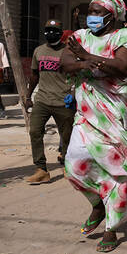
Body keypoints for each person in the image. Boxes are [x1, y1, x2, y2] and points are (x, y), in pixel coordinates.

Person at [61, 0, 127, 253]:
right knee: (74, 162)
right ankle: (98, 203)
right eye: (91, 11)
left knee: (117, 170)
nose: (92, 16)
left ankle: (111, 228)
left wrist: (85, 58)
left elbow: (122, 67)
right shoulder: (79, 37)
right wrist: (94, 63)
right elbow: (64, 64)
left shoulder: (125, 38)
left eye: (98, 12)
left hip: (115, 113)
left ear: (113, 15)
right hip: (86, 112)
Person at [24, 19, 75, 185]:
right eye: (48, 30)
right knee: (35, 132)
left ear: (61, 34)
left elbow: (77, 75)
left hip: (63, 101)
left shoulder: (68, 52)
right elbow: (34, 75)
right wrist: (28, 96)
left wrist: (74, 94)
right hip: (42, 100)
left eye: (54, 30)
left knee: (67, 136)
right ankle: (41, 170)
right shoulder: (38, 51)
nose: (50, 33)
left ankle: (68, 165)